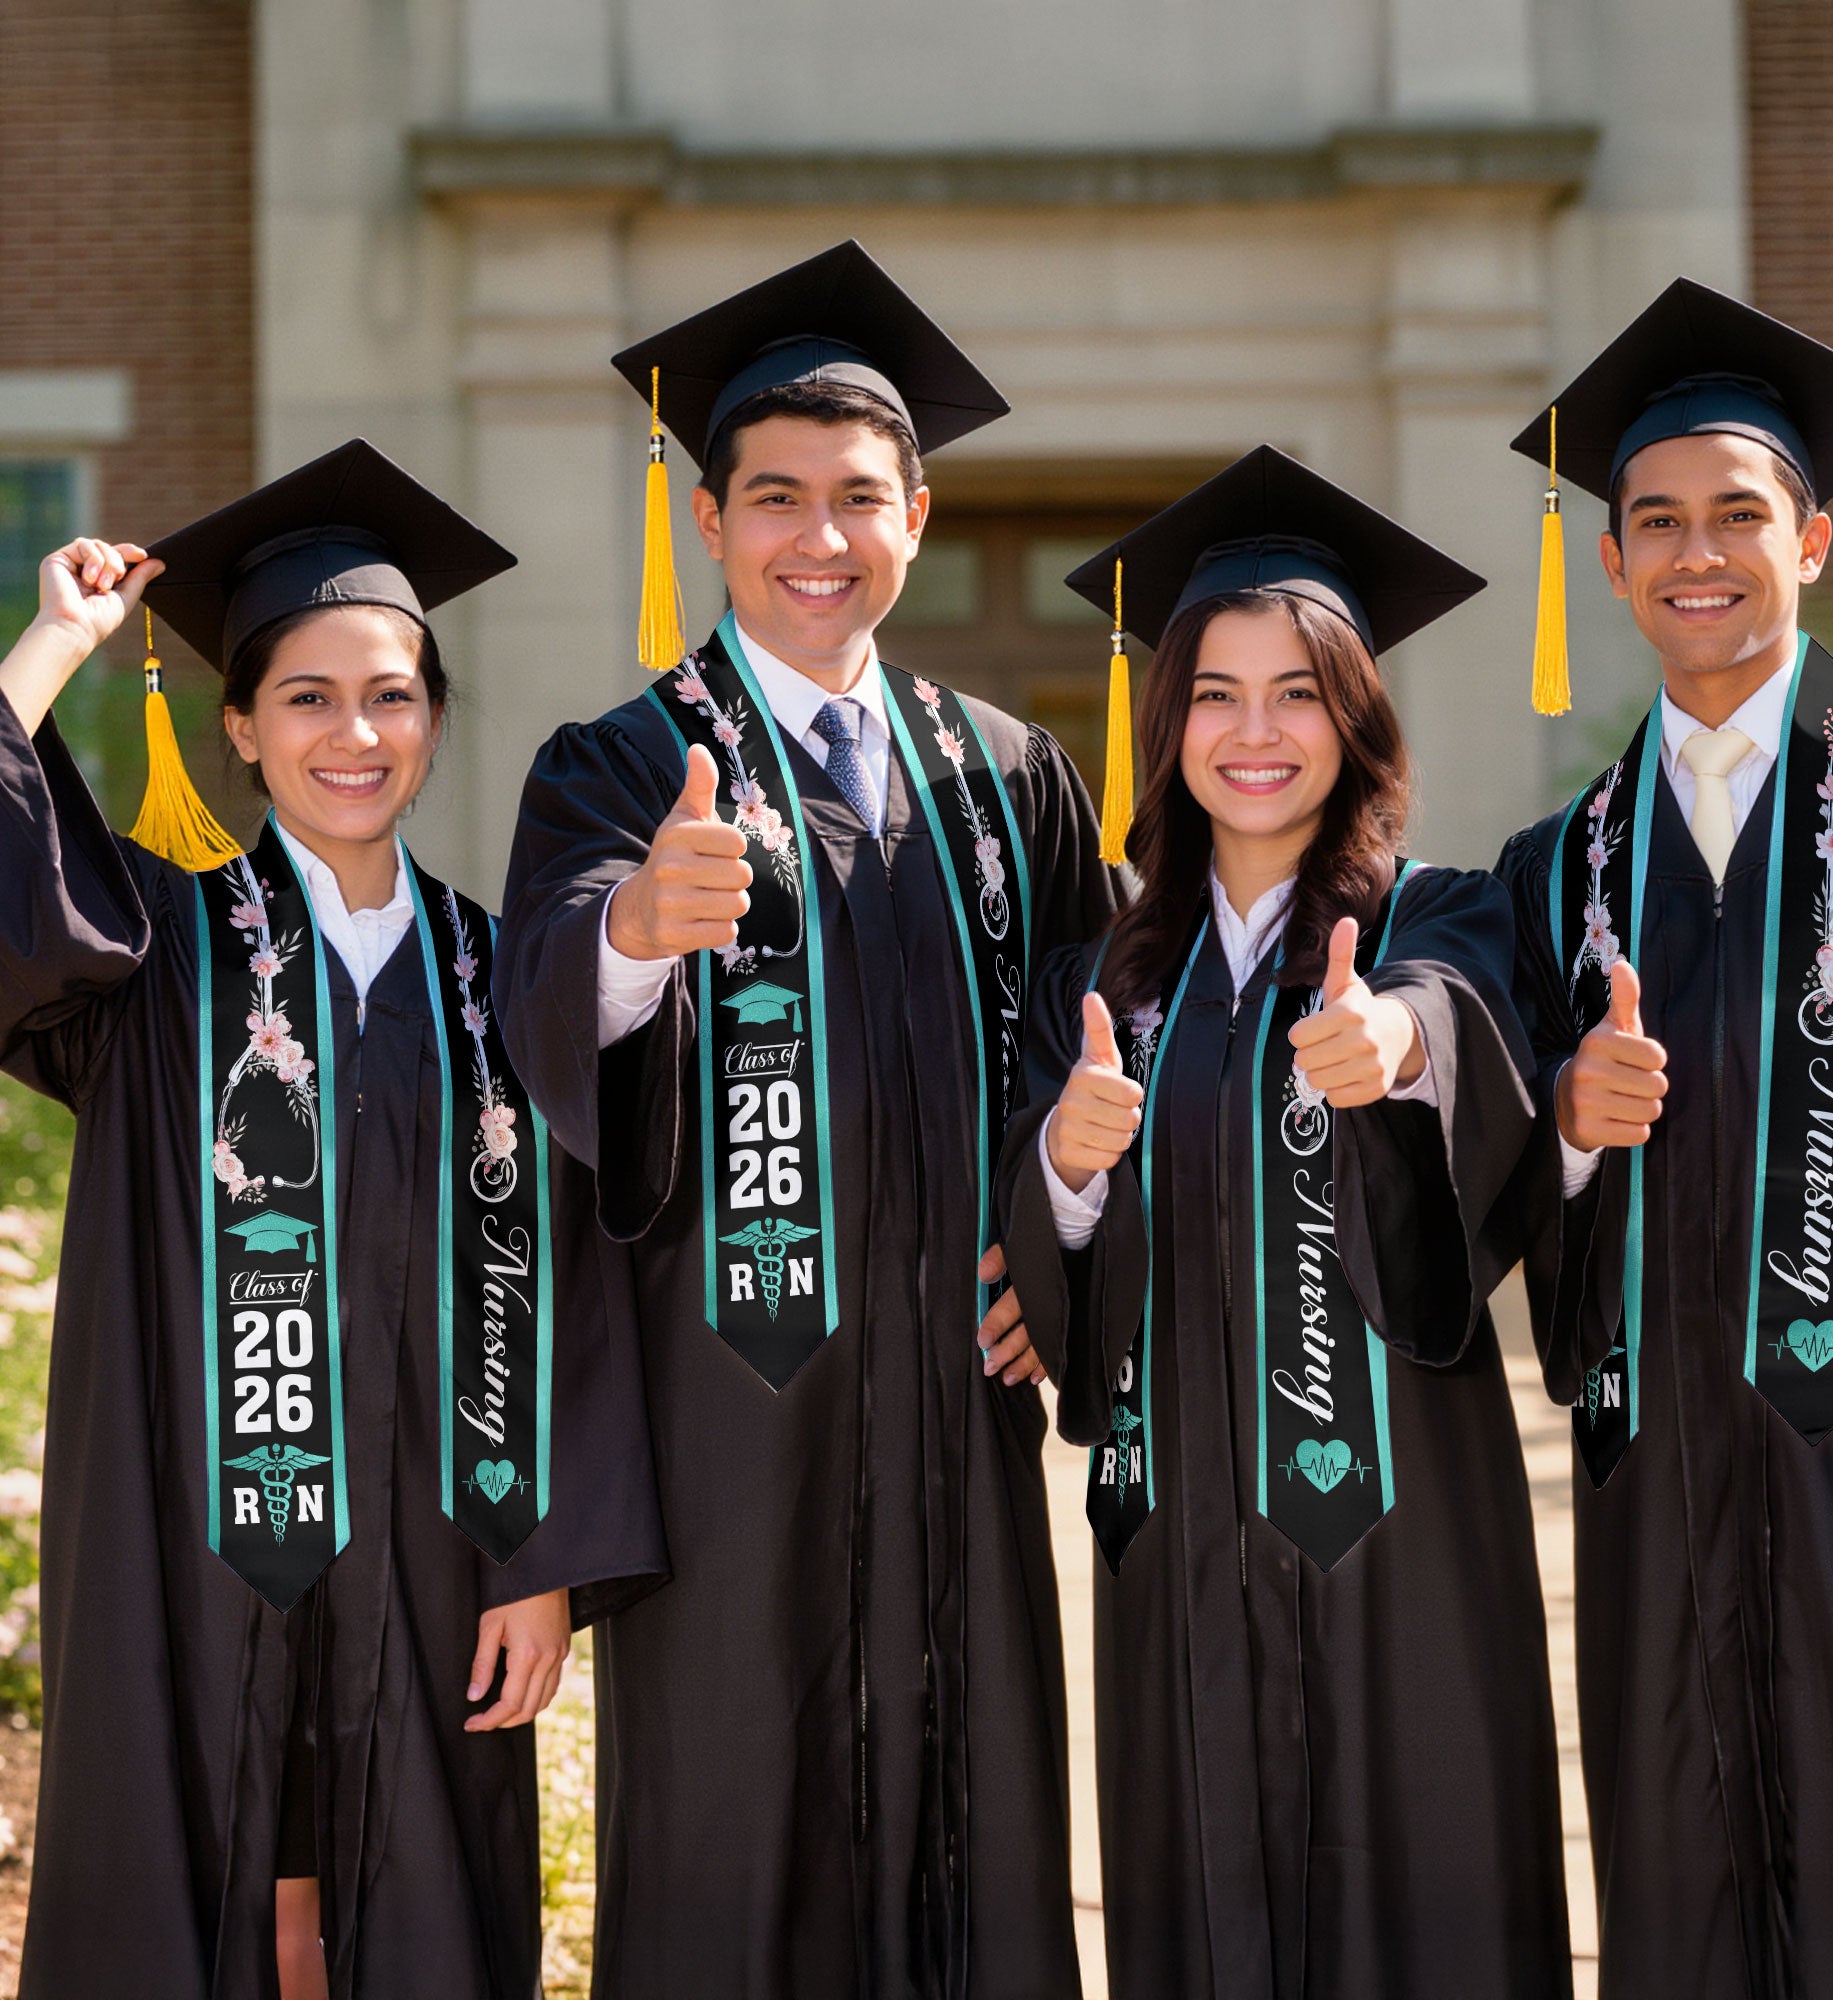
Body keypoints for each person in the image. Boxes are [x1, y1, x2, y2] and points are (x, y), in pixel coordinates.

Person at [496, 241, 1120, 1998]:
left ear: (917, 514)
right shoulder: (620, 764)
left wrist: (1063, 1254)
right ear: (710, 521)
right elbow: (539, 1001)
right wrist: (632, 930)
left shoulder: (1009, 773)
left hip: (955, 1408)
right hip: (730, 1420)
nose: (818, 538)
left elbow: (1114, 1042)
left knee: (976, 1830)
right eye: (776, 498)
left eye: (860, 498)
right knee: (733, 1846)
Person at [0, 440, 664, 2000]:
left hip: (442, 1554)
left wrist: (546, 1558)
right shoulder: (154, 955)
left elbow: (580, 1278)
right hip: (191, 1534)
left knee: (420, 1901)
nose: (352, 733)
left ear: (434, 719)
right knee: (200, 1872)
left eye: (391, 694)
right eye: (306, 697)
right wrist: (53, 646)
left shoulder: (509, 976)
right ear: (239, 726)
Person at [995, 446, 1571, 1998]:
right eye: (1217, 694)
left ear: (1357, 717)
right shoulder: (1102, 980)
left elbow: (1467, 1025)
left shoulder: (1439, 916)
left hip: (1406, 1535)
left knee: (1427, 1902)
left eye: (1300, 692)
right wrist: (1064, 1160)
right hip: (1176, 1533)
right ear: (1166, 720)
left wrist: (1397, 1047)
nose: (1257, 733)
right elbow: (1061, 1287)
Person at [1496, 279, 1833, 1999]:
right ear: (1616, 562)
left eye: (1737, 515)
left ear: (1814, 539)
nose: (1695, 553)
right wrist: (1563, 1126)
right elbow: (1487, 1180)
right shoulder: (1559, 867)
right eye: (1655, 522)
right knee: (1683, 1897)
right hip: (1659, 1486)